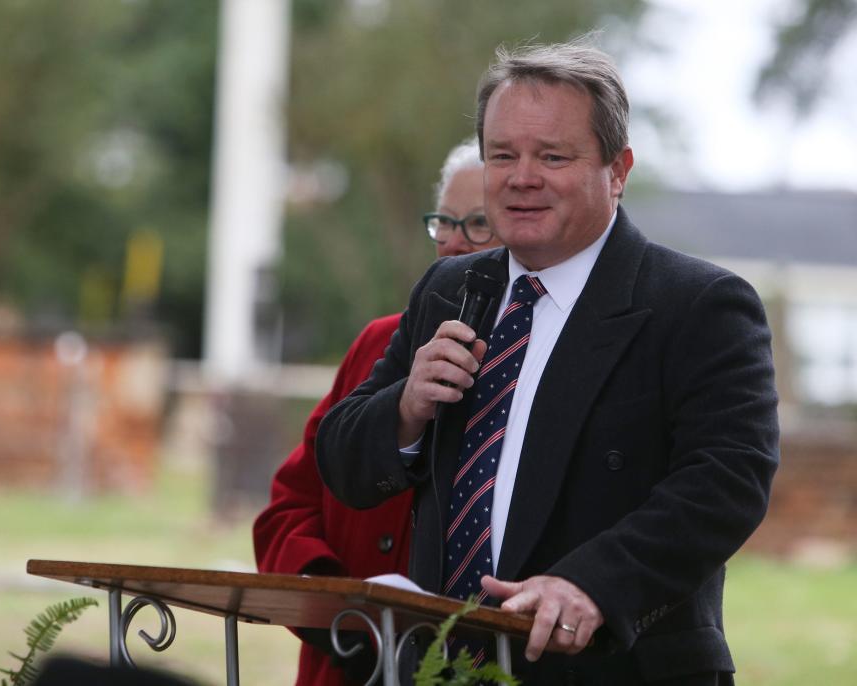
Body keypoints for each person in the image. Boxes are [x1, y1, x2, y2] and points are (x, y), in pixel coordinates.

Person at [316, 39, 779, 686]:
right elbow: (338, 462)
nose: (521, 176)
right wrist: (405, 410)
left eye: (552, 156)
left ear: (618, 170)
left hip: (614, 666)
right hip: (441, 666)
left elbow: (728, 481)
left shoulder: (698, 306)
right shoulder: (449, 290)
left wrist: (593, 586)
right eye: (502, 155)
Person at [253, 139, 502, 686]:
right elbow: (289, 508)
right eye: (445, 223)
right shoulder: (380, 343)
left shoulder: (539, 363)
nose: (455, 243)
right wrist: (343, 616)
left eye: (480, 224)